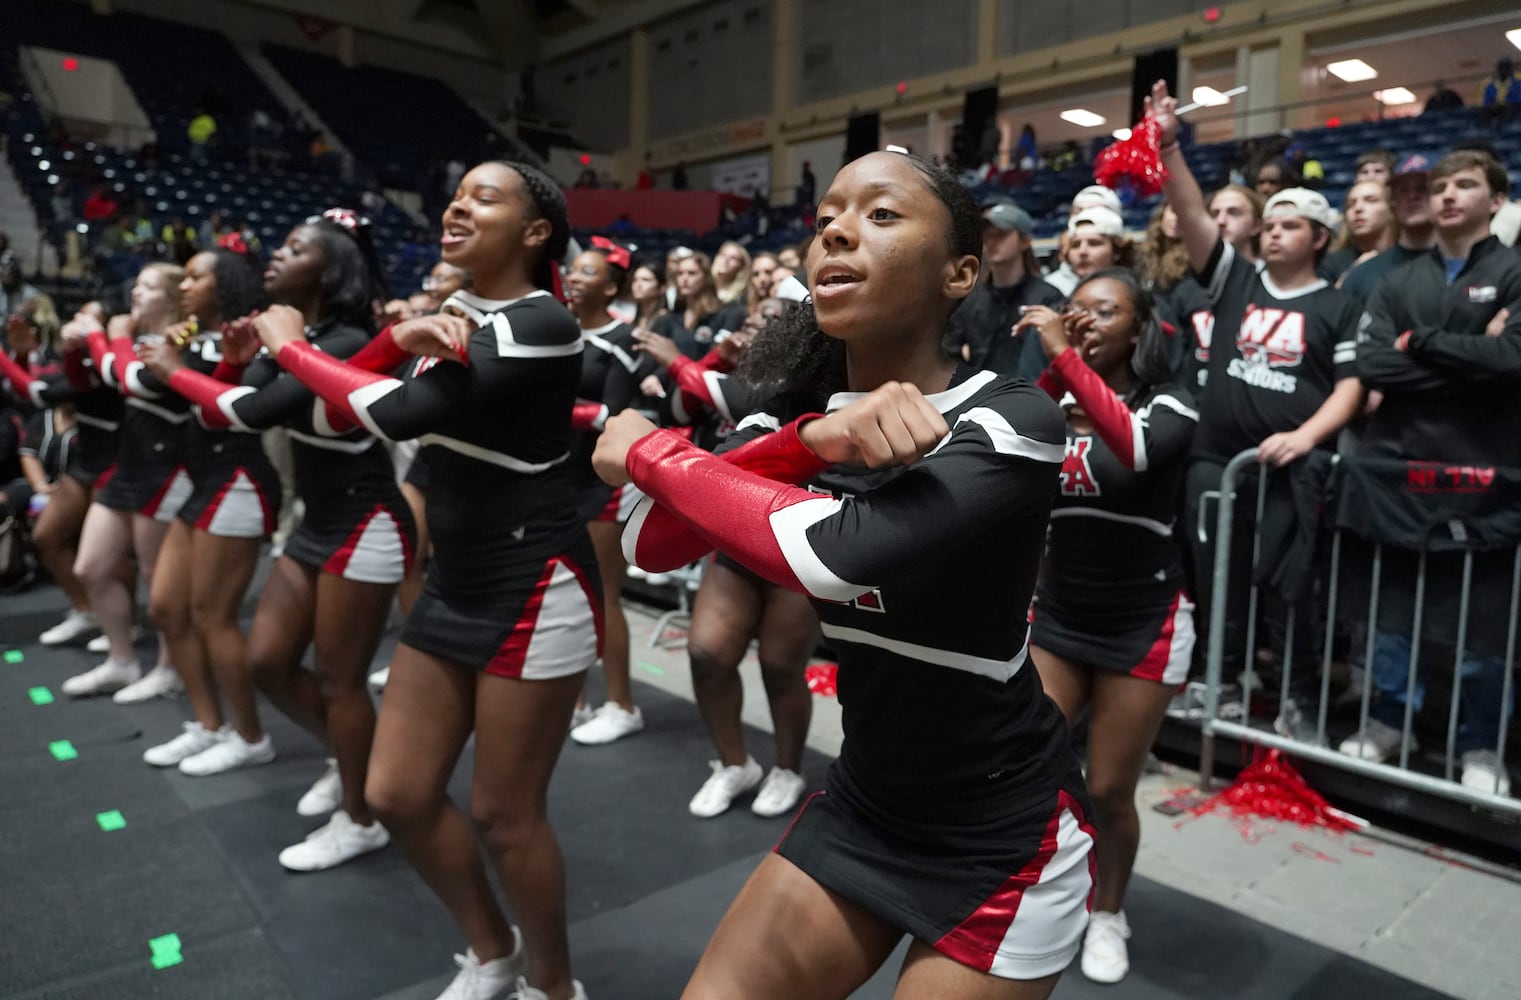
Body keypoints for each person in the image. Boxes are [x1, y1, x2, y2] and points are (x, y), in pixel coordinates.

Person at [595, 149, 1092, 1000]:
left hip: (999, 833)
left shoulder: (1011, 416)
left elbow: (836, 556)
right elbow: (648, 540)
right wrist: (801, 443)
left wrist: (646, 448)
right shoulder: (797, 411)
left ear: (959, 271)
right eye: (827, 214)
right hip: (866, 800)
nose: (835, 228)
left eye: (881, 214)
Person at [255, 161, 595, 1000]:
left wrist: (288, 347)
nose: (457, 206)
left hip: (534, 577)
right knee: (395, 791)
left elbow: (394, 413)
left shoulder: (542, 319)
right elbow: (339, 412)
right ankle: (492, 952)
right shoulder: (453, 315)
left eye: (485, 197)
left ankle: (554, 987)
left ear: (535, 232)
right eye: (455, 194)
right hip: (455, 576)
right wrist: (392, 342)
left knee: (504, 818)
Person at [148, 213, 412, 875]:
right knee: (267, 661)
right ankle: (349, 760)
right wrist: (236, 364)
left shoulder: (347, 337)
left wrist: (175, 368)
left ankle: (360, 818)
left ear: (328, 270)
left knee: (341, 680)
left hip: (364, 520)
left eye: (295, 249)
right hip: (315, 521)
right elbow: (228, 403)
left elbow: (244, 411)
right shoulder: (291, 334)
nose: (275, 254)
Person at [1020, 269, 1197, 983]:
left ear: (1138, 328)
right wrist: (1050, 374)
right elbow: (997, 442)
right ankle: (1033, 881)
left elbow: (1137, 449)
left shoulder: (1172, 402)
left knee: (1109, 789)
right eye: (1076, 310)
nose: (1085, 320)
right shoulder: (1055, 400)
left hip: (1141, 623)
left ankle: (1107, 912)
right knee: (1025, 762)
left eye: (1104, 310)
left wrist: (1063, 355)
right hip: (1061, 612)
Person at [1152, 79, 1363, 677]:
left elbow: (1350, 386)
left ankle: (1288, 692)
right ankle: (1217, 682)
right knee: (1214, 579)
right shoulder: (1235, 281)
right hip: (1216, 461)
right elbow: (1192, 212)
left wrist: (1306, 437)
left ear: (1319, 239)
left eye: (1290, 226)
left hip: (1288, 469)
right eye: (1269, 224)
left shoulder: (1338, 305)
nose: (1273, 232)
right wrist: (1169, 150)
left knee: (1284, 586)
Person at [1348, 149, 1521, 796]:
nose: (1448, 195)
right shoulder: (1398, 280)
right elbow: (1370, 367)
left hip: (1488, 473)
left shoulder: (1513, 270)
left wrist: (1418, 343)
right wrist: (1473, 358)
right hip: (1401, 466)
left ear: (1495, 200)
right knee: (1394, 608)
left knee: (1484, 622)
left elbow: (1514, 358)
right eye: (1440, 186)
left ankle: (1481, 744)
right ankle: (1390, 719)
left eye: (1465, 185)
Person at [127, 245, 280, 761]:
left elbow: (226, 413)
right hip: (201, 482)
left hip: (237, 479)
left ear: (227, 286)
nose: (185, 287)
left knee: (213, 616)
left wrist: (173, 366)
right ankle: (209, 725)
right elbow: (145, 378)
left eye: (196, 278)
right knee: (168, 607)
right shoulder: (193, 339)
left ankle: (251, 737)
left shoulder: (247, 344)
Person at [59, 263, 189, 698]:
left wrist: (104, 333)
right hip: (128, 462)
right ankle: (122, 661)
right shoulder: (134, 339)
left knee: (159, 582)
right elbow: (93, 380)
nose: (136, 292)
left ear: (172, 298)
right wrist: (76, 348)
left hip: (166, 465)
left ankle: (171, 668)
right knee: (90, 567)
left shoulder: (182, 337)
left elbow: (128, 378)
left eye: (149, 287)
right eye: (137, 284)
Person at [562, 239, 652, 746]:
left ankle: (622, 703)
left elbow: (611, 417)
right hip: (559, 477)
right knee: (568, 595)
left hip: (602, 482)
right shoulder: (560, 333)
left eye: (587, 272)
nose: (574, 278)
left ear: (611, 287)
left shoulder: (623, 338)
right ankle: (574, 698)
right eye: (572, 271)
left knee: (603, 595)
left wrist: (555, 405)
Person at [0, 301, 119, 646]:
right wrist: (21, 357)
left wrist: (6, 359)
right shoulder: (81, 357)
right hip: (86, 462)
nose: (79, 320)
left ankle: (122, 629)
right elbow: (34, 388)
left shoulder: (113, 359)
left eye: (91, 315)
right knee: (47, 537)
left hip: (117, 460)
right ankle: (87, 610)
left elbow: (42, 392)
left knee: (112, 561)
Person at [944, 200, 1064, 379]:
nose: (992, 242)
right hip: (980, 397)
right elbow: (949, 352)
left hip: (1032, 395)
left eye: (1001, 235)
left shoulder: (1047, 297)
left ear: (1025, 242)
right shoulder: (970, 299)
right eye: (988, 235)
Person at [1337, 153, 1438, 307]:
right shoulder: (1361, 275)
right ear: (1393, 202)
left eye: (1422, 188)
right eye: (1403, 190)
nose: (1412, 196)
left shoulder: (1468, 266)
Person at [1321, 180, 1397, 283]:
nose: (1358, 208)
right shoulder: (1329, 263)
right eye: (1350, 204)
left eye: (1370, 200)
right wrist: (1355, 273)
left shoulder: (1411, 258)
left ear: (1392, 209)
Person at [1479, 57, 1521, 129]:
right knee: (1484, 110)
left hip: (1513, 106)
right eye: (1502, 67)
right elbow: (1485, 100)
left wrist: (1505, 103)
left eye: (1507, 68)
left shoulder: (1518, 81)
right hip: (1496, 107)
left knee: (1509, 109)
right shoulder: (1489, 84)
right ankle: (1484, 131)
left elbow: (1517, 99)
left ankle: (1503, 130)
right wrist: (1492, 105)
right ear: (1498, 69)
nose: (1505, 70)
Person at [711, 241, 752, 305]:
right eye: (723, 255)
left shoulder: (741, 298)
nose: (726, 260)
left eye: (733, 258)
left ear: (741, 266)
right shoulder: (702, 287)